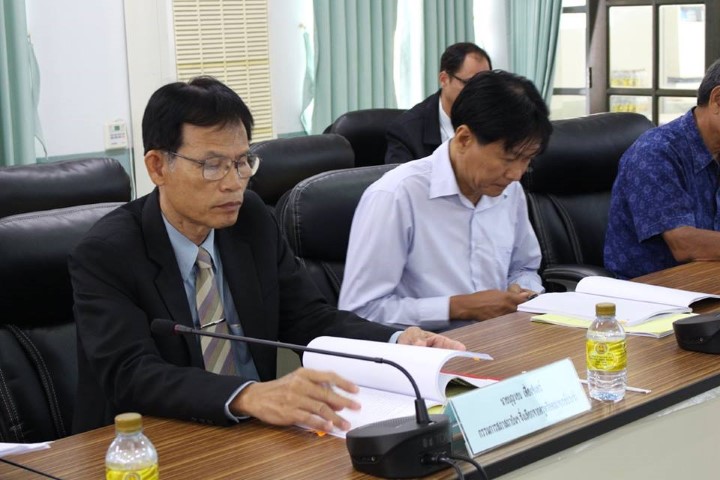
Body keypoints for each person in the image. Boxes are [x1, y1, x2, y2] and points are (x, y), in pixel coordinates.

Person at [69, 77, 464, 435]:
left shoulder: (250, 220)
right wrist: (248, 395)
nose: (233, 183)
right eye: (212, 166)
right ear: (157, 166)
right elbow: (132, 374)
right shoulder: (108, 252)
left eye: (242, 162)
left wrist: (397, 339)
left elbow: (308, 318)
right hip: (149, 443)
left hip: (253, 433)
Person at [339, 70, 551, 331]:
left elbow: (524, 267)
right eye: (508, 159)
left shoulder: (509, 190)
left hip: (501, 339)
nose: (516, 174)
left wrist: (522, 291)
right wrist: (457, 307)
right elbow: (360, 310)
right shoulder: (396, 196)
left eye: (527, 159)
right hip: (425, 349)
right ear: (464, 139)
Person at [604, 59, 720, 279]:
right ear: (717, 99)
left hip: (706, 280)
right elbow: (684, 244)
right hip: (650, 290)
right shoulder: (655, 152)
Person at [384, 42, 492, 164]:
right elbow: (399, 176)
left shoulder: (494, 120)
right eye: (469, 83)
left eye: (485, 84)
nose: (479, 91)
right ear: (444, 79)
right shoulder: (407, 130)